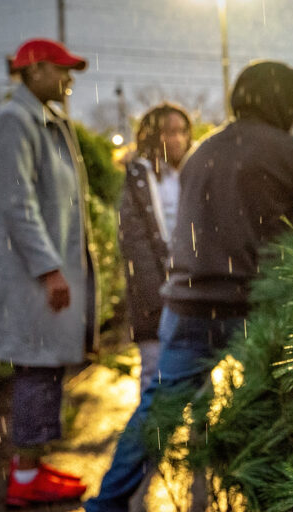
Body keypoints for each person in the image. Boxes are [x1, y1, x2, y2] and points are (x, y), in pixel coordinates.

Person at [79, 60, 293, 512]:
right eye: (291, 105)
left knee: (157, 411)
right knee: (269, 411)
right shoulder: (292, 153)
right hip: (254, 308)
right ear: (277, 104)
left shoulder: (202, 151)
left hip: (186, 305)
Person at [0, 38, 97, 507]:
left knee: (45, 366)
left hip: (34, 270)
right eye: (61, 69)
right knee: (38, 366)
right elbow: (18, 204)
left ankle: (29, 467)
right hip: (27, 273)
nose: (68, 78)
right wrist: (51, 270)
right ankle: (24, 477)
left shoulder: (43, 119)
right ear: (33, 71)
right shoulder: (12, 121)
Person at [118, 104, 193, 392]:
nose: (177, 139)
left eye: (182, 132)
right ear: (152, 137)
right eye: (167, 132)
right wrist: (158, 296)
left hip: (191, 291)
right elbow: (134, 243)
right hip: (152, 297)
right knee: (153, 371)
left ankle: (204, 437)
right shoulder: (139, 177)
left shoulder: (193, 172)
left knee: (198, 374)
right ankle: (153, 437)